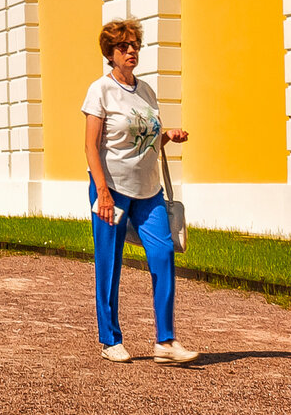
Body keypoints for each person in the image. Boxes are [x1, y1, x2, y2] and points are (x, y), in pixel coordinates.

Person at [84, 18, 197, 365]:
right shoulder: (99, 91)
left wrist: (168, 136)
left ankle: (165, 341)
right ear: (110, 53)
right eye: (123, 46)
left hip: (149, 191)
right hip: (112, 189)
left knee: (163, 254)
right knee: (110, 263)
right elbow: (91, 147)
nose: (131, 51)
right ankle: (110, 338)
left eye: (135, 45)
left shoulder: (146, 90)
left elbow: (146, 139)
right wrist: (102, 192)